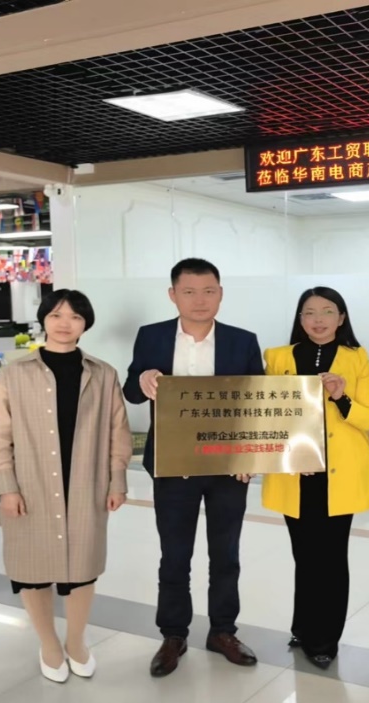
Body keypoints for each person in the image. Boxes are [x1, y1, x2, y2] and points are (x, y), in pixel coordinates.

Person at [0, 289, 133, 683]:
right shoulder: (14, 374)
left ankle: (76, 642)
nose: (65, 324)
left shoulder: (103, 374)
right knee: (32, 568)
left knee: (83, 568)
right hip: (30, 484)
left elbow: (118, 432)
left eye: (75, 317)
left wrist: (117, 481)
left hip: (86, 481)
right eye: (56, 315)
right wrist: (7, 486)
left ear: (86, 324)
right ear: (44, 320)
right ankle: (49, 643)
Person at [123, 258, 264, 677]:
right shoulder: (152, 336)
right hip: (172, 464)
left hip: (227, 465)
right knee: (175, 555)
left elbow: (256, 401)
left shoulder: (242, 341)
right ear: (173, 295)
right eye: (189, 291)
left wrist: (250, 455)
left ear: (220, 294)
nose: (200, 300)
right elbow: (132, 389)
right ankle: (173, 634)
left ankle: (222, 631)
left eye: (208, 291)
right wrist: (143, 379)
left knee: (226, 554)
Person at [262, 287, 369, 669]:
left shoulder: (356, 357)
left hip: (338, 473)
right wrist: (285, 455)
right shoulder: (277, 357)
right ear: (300, 319)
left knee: (331, 558)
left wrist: (341, 397)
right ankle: (303, 627)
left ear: (341, 318)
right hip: (295, 472)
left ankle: (325, 639)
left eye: (327, 311)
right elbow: (266, 414)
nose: (318, 319)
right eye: (310, 312)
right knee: (304, 555)